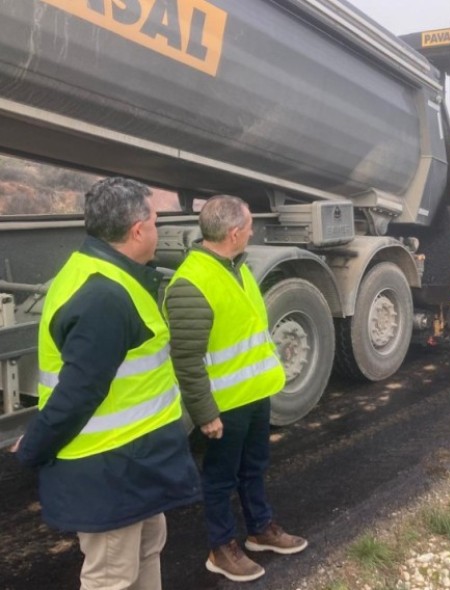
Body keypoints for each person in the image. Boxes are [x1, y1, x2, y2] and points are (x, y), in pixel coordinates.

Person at [12, 177, 201, 589]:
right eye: (155, 221)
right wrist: (34, 447)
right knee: (111, 579)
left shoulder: (107, 272)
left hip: (134, 461)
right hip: (110, 470)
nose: (158, 228)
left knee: (147, 551)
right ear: (137, 230)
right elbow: (79, 392)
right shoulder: (105, 297)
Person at [163, 195, 307, 583]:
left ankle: (260, 529)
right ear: (233, 233)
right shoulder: (191, 284)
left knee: (254, 467)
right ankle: (221, 547)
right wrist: (205, 412)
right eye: (248, 226)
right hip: (225, 404)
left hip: (253, 395)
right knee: (220, 477)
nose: (252, 231)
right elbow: (187, 359)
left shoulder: (234, 267)